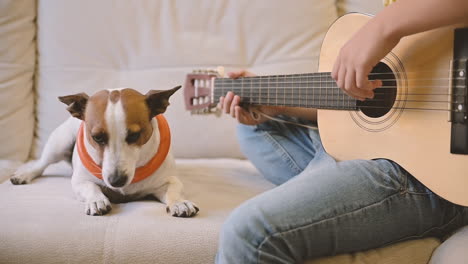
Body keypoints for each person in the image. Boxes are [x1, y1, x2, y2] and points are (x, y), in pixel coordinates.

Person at [215, 0, 468, 263]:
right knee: (259, 127)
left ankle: (331, 179)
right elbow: (371, 100)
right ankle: (334, 179)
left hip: (429, 175)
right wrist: (278, 105)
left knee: (249, 234)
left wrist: (381, 29)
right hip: (401, 142)